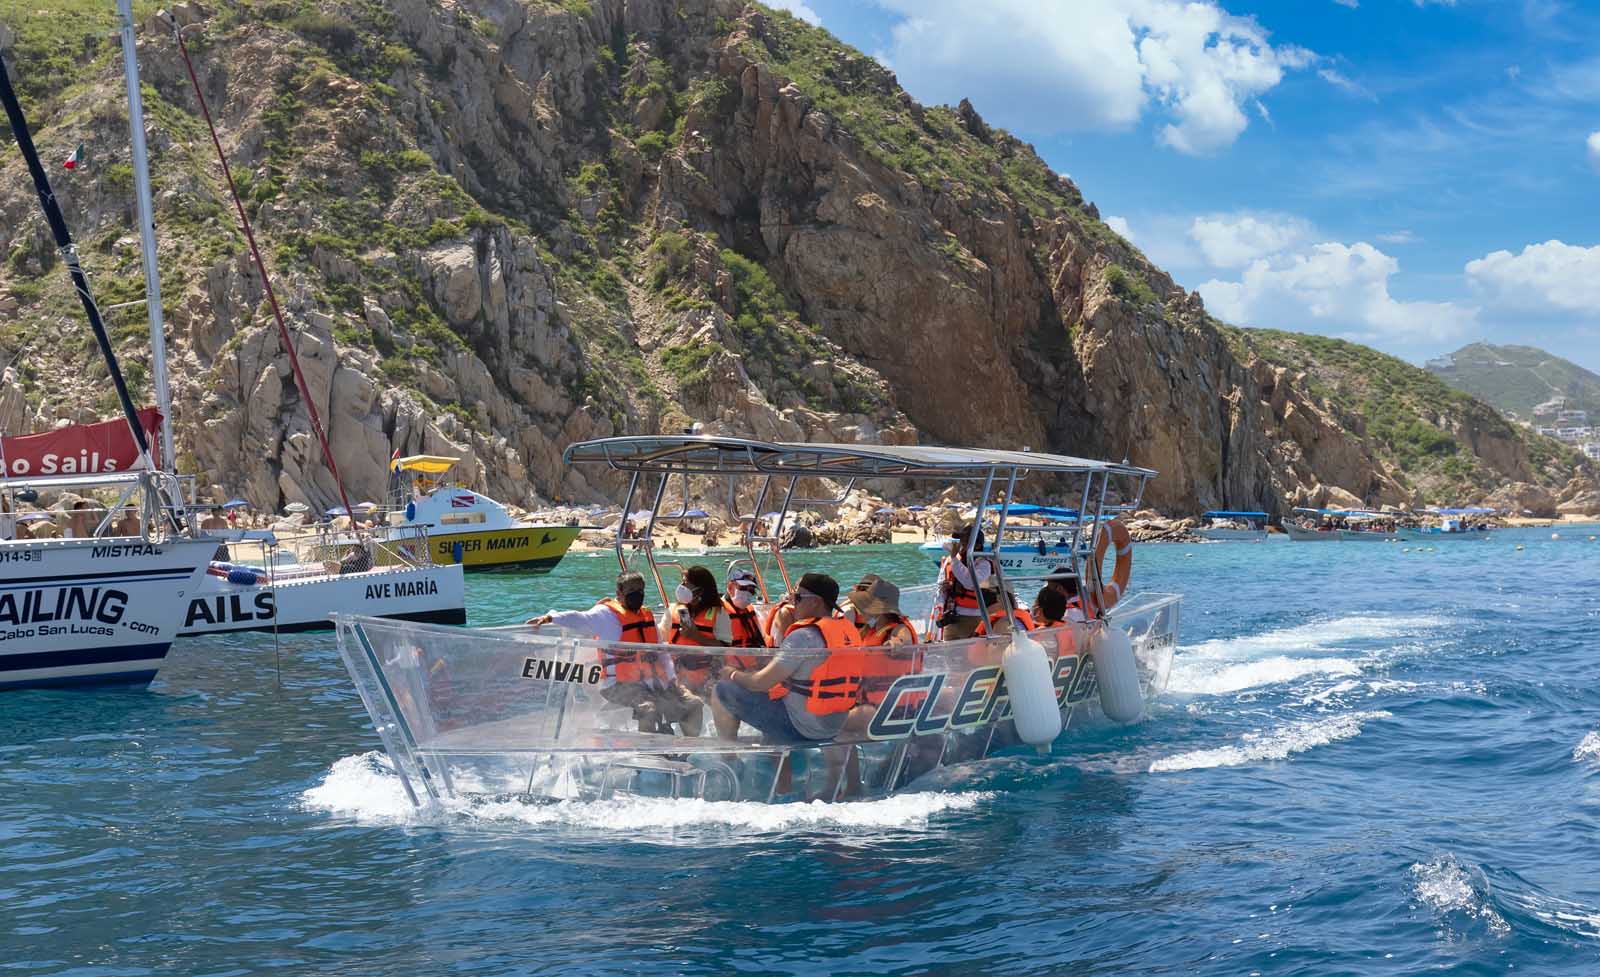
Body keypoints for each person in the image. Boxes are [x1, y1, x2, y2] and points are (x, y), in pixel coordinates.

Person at [527, 571, 704, 736]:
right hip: (617, 685)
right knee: (649, 708)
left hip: (653, 682)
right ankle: (647, 759)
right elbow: (579, 618)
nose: (637, 594)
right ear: (619, 593)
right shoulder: (606, 615)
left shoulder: (647, 616)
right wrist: (551, 617)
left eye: (640, 590)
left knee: (693, 704)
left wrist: (672, 678)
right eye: (632, 590)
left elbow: (661, 652)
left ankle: (687, 751)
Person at [711, 572, 862, 746]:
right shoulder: (850, 633)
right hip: (835, 725)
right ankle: (779, 766)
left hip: (801, 727)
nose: (791, 602)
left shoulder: (803, 636)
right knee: (778, 698)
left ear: (815, 602)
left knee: (722, 689)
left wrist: (731, 674)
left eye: (797, 597)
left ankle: (728, 760)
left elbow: (759, 683)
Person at [666, 565, 732, 693]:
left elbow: (725, 648)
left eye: (686, 583)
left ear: (700, 590)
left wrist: (696, 636)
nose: (681, 586)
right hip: (678, 678)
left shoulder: (719, 613)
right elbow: (663, 639)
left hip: (707, 679)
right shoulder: (674, 610)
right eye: (682, 582)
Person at [935, 522, 995, 640]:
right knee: (949, 656)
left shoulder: (984, 564)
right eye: (961, 541)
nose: (961, 545)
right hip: (952, 618)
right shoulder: (956, 560)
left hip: (974, 620)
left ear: (977, 546)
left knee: (972, 656)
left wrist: (953, 558)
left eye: (965, 542)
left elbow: (970, 583)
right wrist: (947, 588)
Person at [721, 567, 768, 668]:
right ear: (730, 587)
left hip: (752, 669)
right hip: (727, 672)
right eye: (743, 588)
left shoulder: (750, 612)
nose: (747, 593)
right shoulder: (719, 612)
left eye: (751, 590)